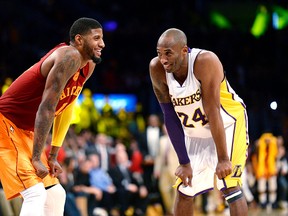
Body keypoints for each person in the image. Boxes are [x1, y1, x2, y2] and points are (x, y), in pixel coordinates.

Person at [0, 17, 105, 216]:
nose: (102, 44)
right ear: (79, 40)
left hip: (26, 131)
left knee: (56, 193)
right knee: (35, 194)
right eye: (96, 38)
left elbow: (66, 107)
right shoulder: (69, 56)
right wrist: (38, 158)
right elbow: (46, 109)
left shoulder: (88, 65)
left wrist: (53, 155)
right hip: (5, 122)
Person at [149, 28, 249, 216]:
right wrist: (184, 162)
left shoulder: (205, 62)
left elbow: (213, 111)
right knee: (185, 187)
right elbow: (169, 116)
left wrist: (223, 159)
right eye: (159, 53)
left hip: (227, 123)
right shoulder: (156, 69)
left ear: (184, 51)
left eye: (168, 53)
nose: (163, 59)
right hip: (194, 130)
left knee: (229, 184)